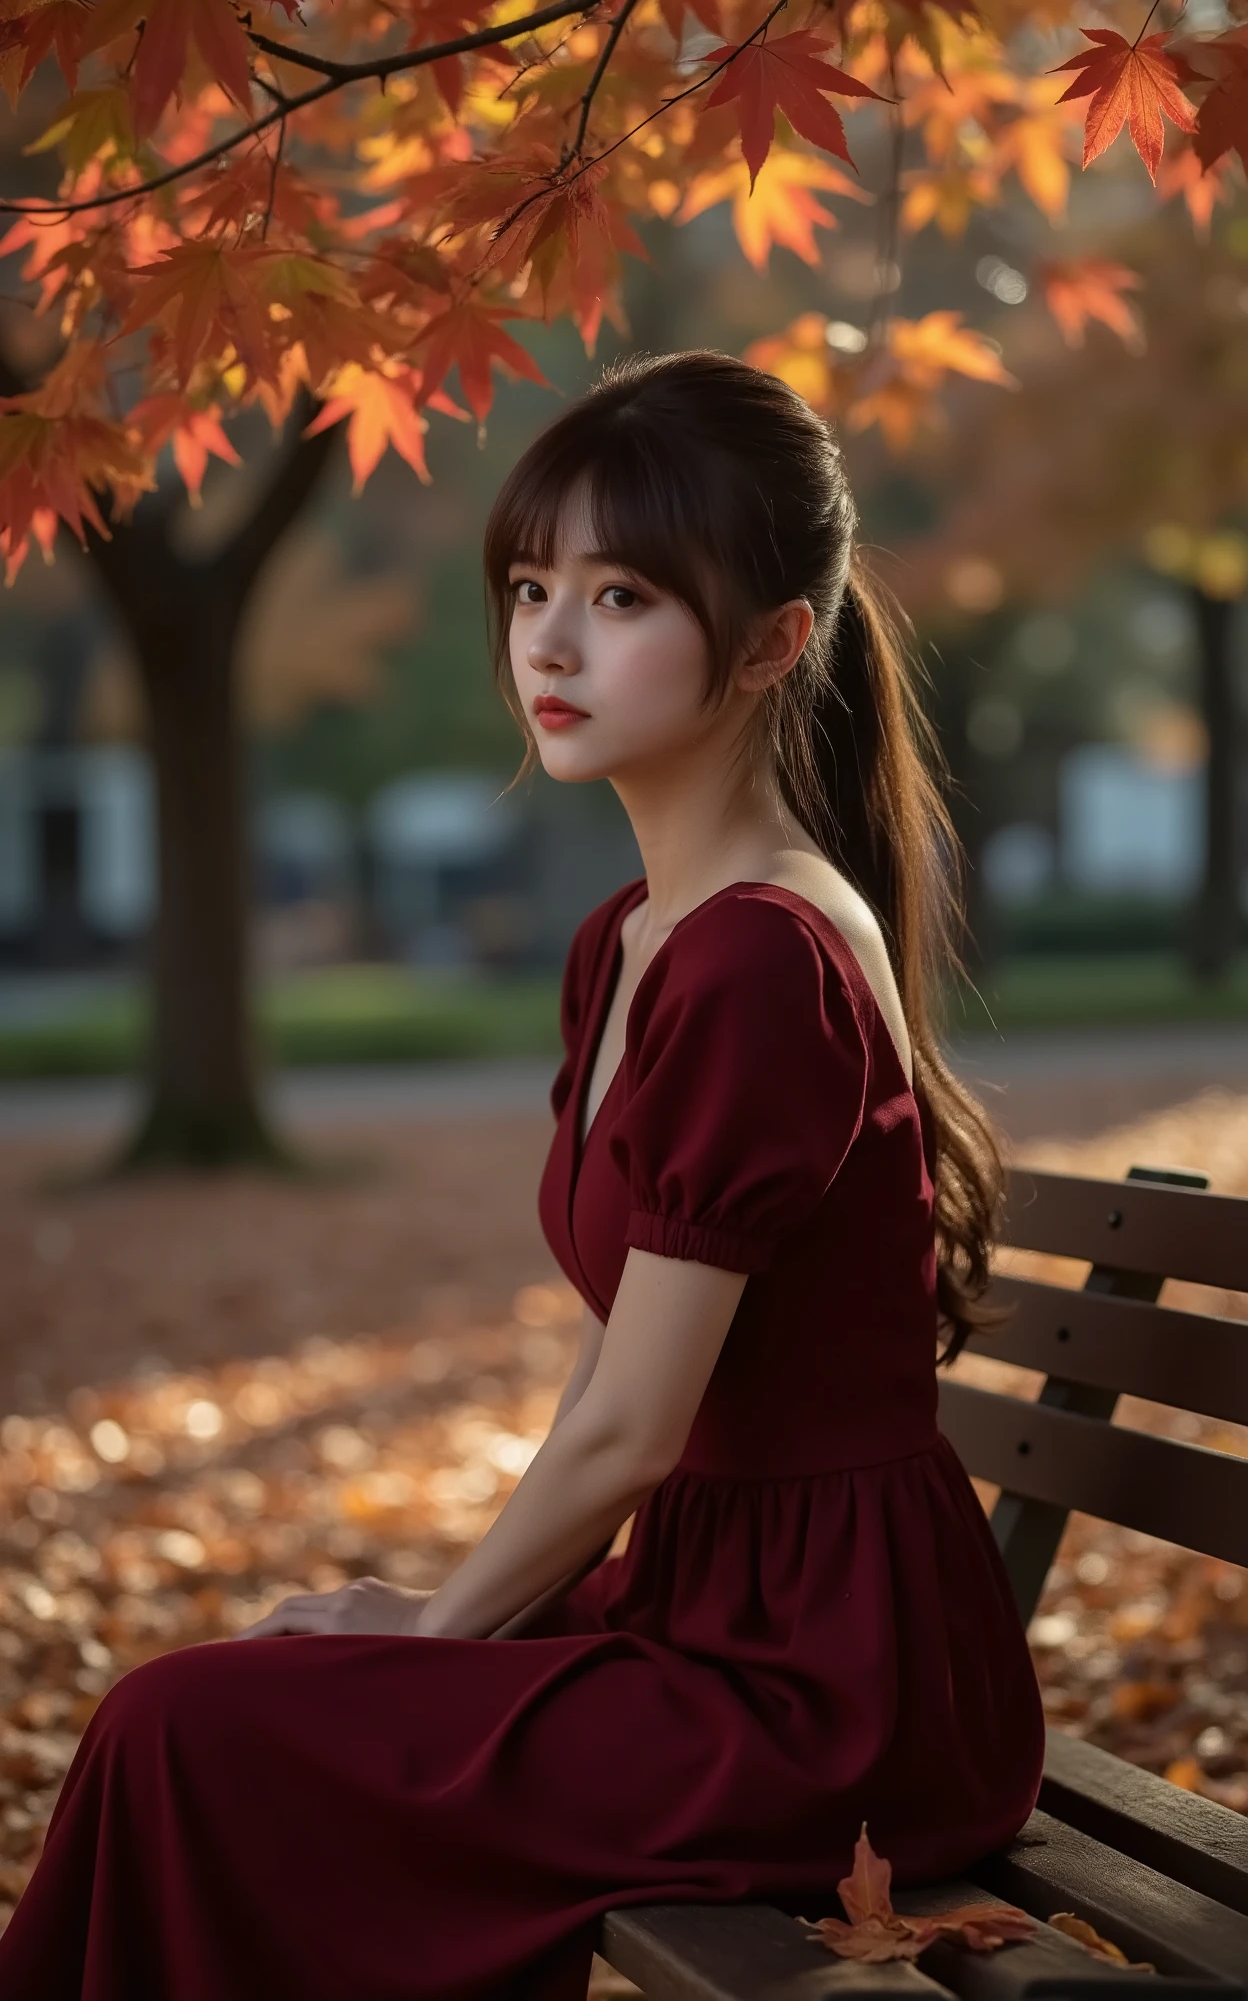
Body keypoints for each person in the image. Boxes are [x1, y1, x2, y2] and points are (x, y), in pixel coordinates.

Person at [0, 350, 1045, 2000]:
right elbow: (613, 1380)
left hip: (822, 1695)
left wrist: (439, 1632)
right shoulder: (632, 941)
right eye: (529, 585)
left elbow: (634, 1429)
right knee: (215, 1708)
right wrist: (450, 1603)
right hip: (706, 1618)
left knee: (181, 1730)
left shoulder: (761, 959)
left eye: (623, 595)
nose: (547, 643)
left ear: (777, 641)